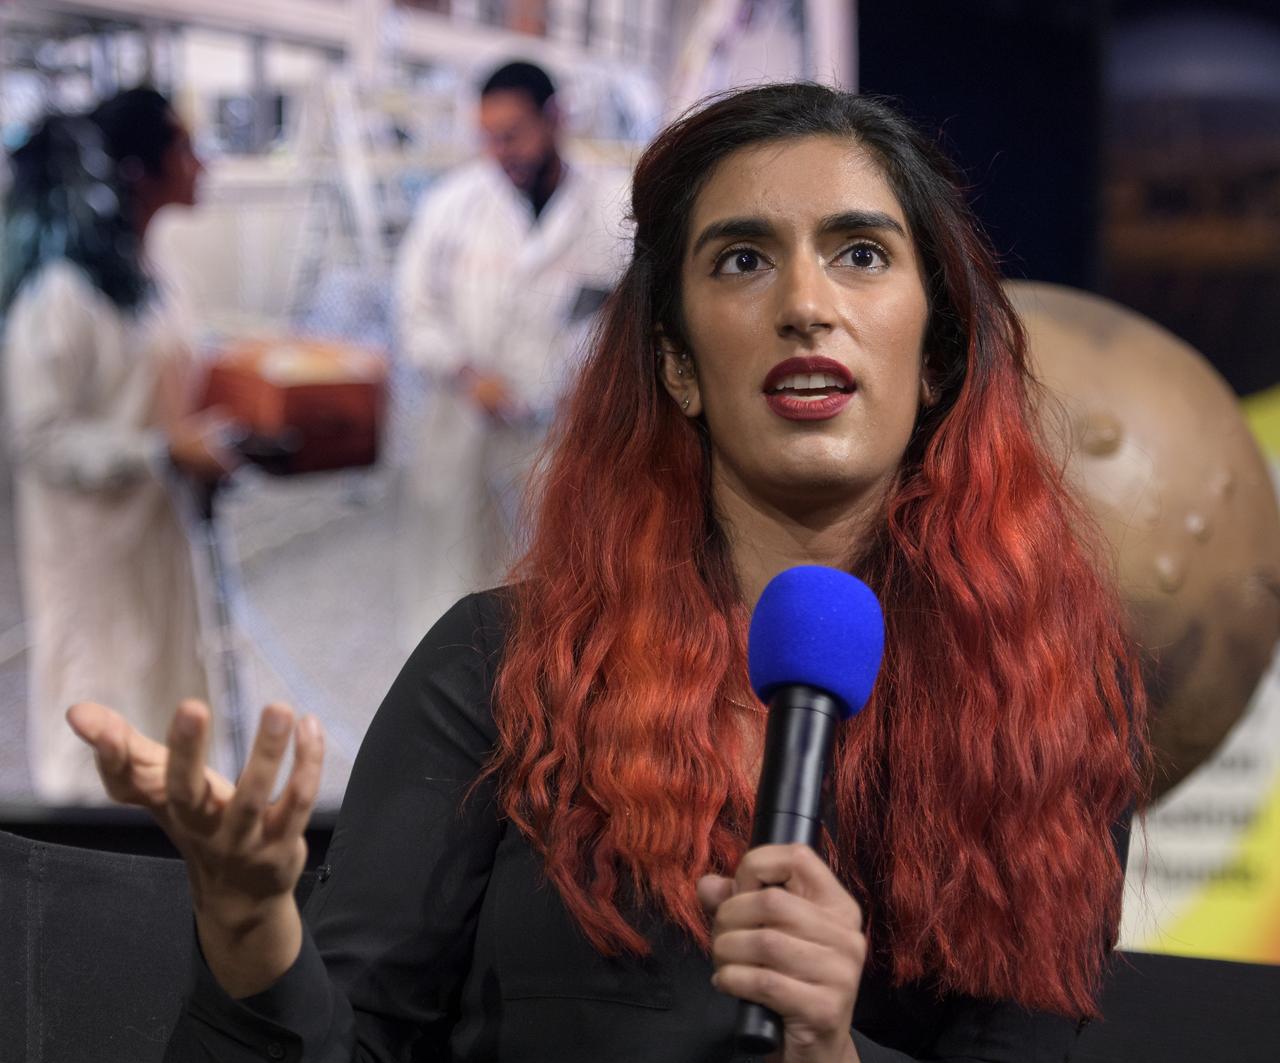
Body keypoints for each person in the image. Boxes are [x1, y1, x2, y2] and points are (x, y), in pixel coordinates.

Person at [69, 84, 1147, 1061]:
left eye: (858, 253)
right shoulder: (499, 668)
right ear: (676, 363)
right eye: (741, 258)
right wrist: (254, 932)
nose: (804, 305)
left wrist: (832, 1050)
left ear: (938, 355)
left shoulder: (1045, 714)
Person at [2, 87, 239, 802]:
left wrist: (211, 449)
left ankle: (166, 884)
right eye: (185, 148)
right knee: (98, 722)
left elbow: (168, 401)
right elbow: (39, 438)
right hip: (90, 556)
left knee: (166, 714)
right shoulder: (61, 294)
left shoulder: (158, 282)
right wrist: (162, 453)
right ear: (139, 169)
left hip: (156, 544)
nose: (201, 164)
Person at [393, 59, 627, 645]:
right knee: (454, 585)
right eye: (489, 136)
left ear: (555, 118)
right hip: (465, 430)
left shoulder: (615, 206)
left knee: (559, 587)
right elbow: (415, 312)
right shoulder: (453, 206)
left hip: (567, 438)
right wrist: (468, 375)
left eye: (514, 133)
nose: (502, 150)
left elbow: (632, 320)